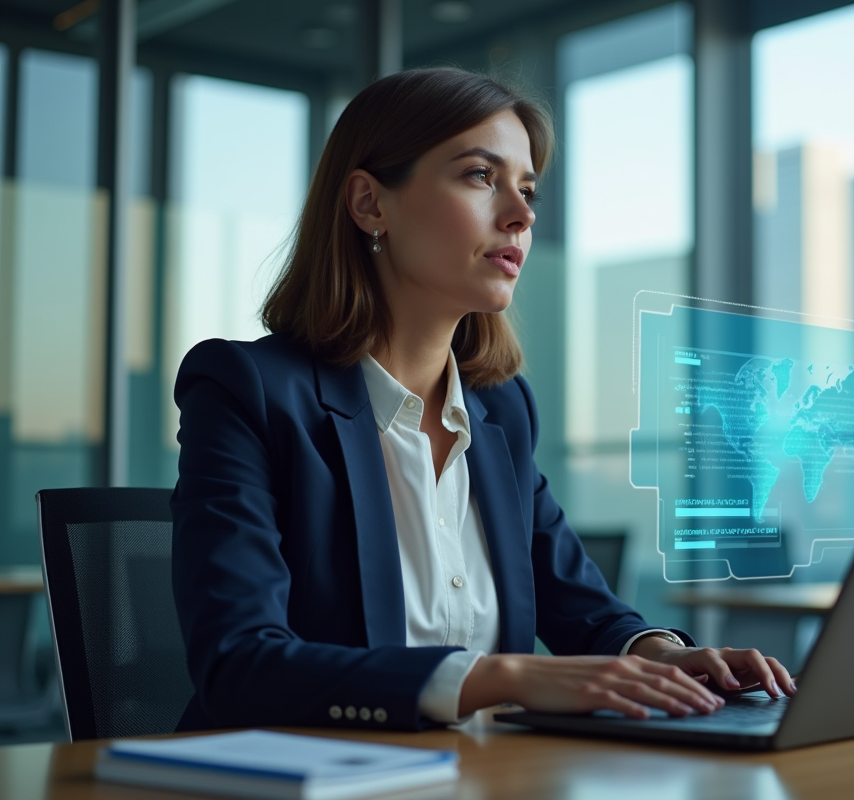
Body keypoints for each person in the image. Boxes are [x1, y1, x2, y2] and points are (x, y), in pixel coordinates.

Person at [171, 67, 795, 733]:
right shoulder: (248, 391)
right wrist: (501, 674)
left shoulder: (501, 411)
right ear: (369, 204)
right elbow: (237, 663)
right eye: (480, 176)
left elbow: (579, 603)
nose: (522, 214)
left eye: (527, 190)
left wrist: (664, 656)